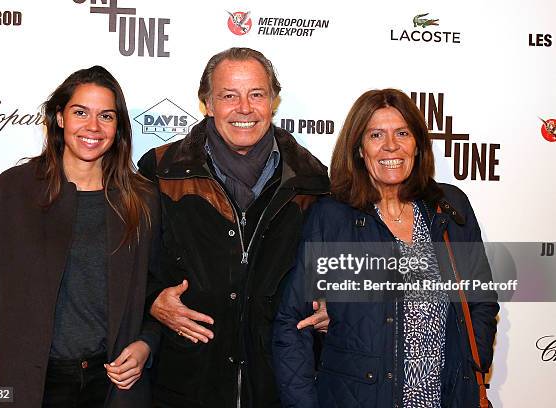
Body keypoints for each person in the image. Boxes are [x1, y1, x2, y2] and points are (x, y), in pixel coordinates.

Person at [272, 88, 499, 408]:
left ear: (417, 145)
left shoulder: (448, 206)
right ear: (359, 150)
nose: (391, 145)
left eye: (402, 133)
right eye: (376, 134)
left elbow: (480, 298)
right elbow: (291, 324)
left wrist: (469, 363)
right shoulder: (333, 217)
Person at [137, 47, 330, 407]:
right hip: (185, 383)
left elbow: (330, 270)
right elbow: (127, 266)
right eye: (229, 96)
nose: (244, 108)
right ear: (207, 103)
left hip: (277, 383)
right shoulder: (161, 169)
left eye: (256, 94)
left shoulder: (312, 180)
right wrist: (153, 301)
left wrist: (333, 304)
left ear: (273, 101)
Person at [0, 66, 160, 407]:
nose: (93, 127)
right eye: (80, 112)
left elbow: (157, 292)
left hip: (112, 385)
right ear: (59, 117)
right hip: (34, 385)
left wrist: (146, 343)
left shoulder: (142, 198)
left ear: (118, 129)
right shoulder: (14, 190)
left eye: (106, 116)